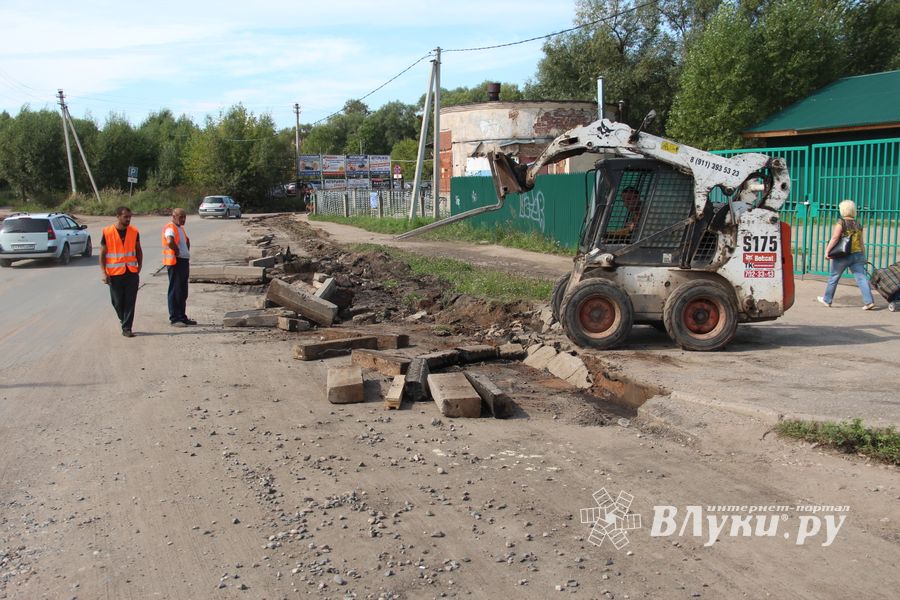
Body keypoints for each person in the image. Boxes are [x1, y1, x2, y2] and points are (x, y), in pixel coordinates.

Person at [817, 199, 875, 310]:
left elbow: (835, 238)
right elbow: (861, 242)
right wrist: (863, 255)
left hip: (842, 255)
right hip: (857, 254)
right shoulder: (858, 224)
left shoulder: (841, 222)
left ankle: (827, 300)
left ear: (843, 210)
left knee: (834, 276)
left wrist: (827, 251)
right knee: (861, 278)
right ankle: (869, 302)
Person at [100, 206, 143, 337]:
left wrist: (139, 265)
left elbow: (138, 249)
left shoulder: (134, 231)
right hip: (115, 273)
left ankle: (127, 327)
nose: (128, 219)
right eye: (126, 217)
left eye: (130, 217)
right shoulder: (107, 232)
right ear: (118, 216)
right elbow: (102, 253)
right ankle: (123, 318)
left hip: (131, 272)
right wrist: (104, 272)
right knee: (117, 302)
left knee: (130, 301)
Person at [163, 208, 196, 326]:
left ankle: (182, 316)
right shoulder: (170, 228)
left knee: (183, 291)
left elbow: (187, 241)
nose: (183, 219)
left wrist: (186, 251)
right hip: (175, 262)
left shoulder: (180, 228)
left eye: (184, 217)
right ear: (174, 216)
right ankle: (175, 318)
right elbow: (169, 241)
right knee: (176, 290)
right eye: (181, 217)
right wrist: (176, 250)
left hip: (183, 261)